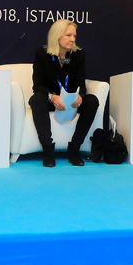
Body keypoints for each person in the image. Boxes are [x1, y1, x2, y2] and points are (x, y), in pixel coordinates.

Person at [29, 19, 100, 167]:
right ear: (57, 35)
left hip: (70, 101)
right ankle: (48, 150)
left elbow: (80, 81)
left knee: (92, 101)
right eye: (68, 35)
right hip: (51, 100)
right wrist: (52, 96)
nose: (72, 39)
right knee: (36, 99)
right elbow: (38, 84)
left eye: (74, 36)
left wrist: (80, 96)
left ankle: (74, 148)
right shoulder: (42, 54)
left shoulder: (78, 55)